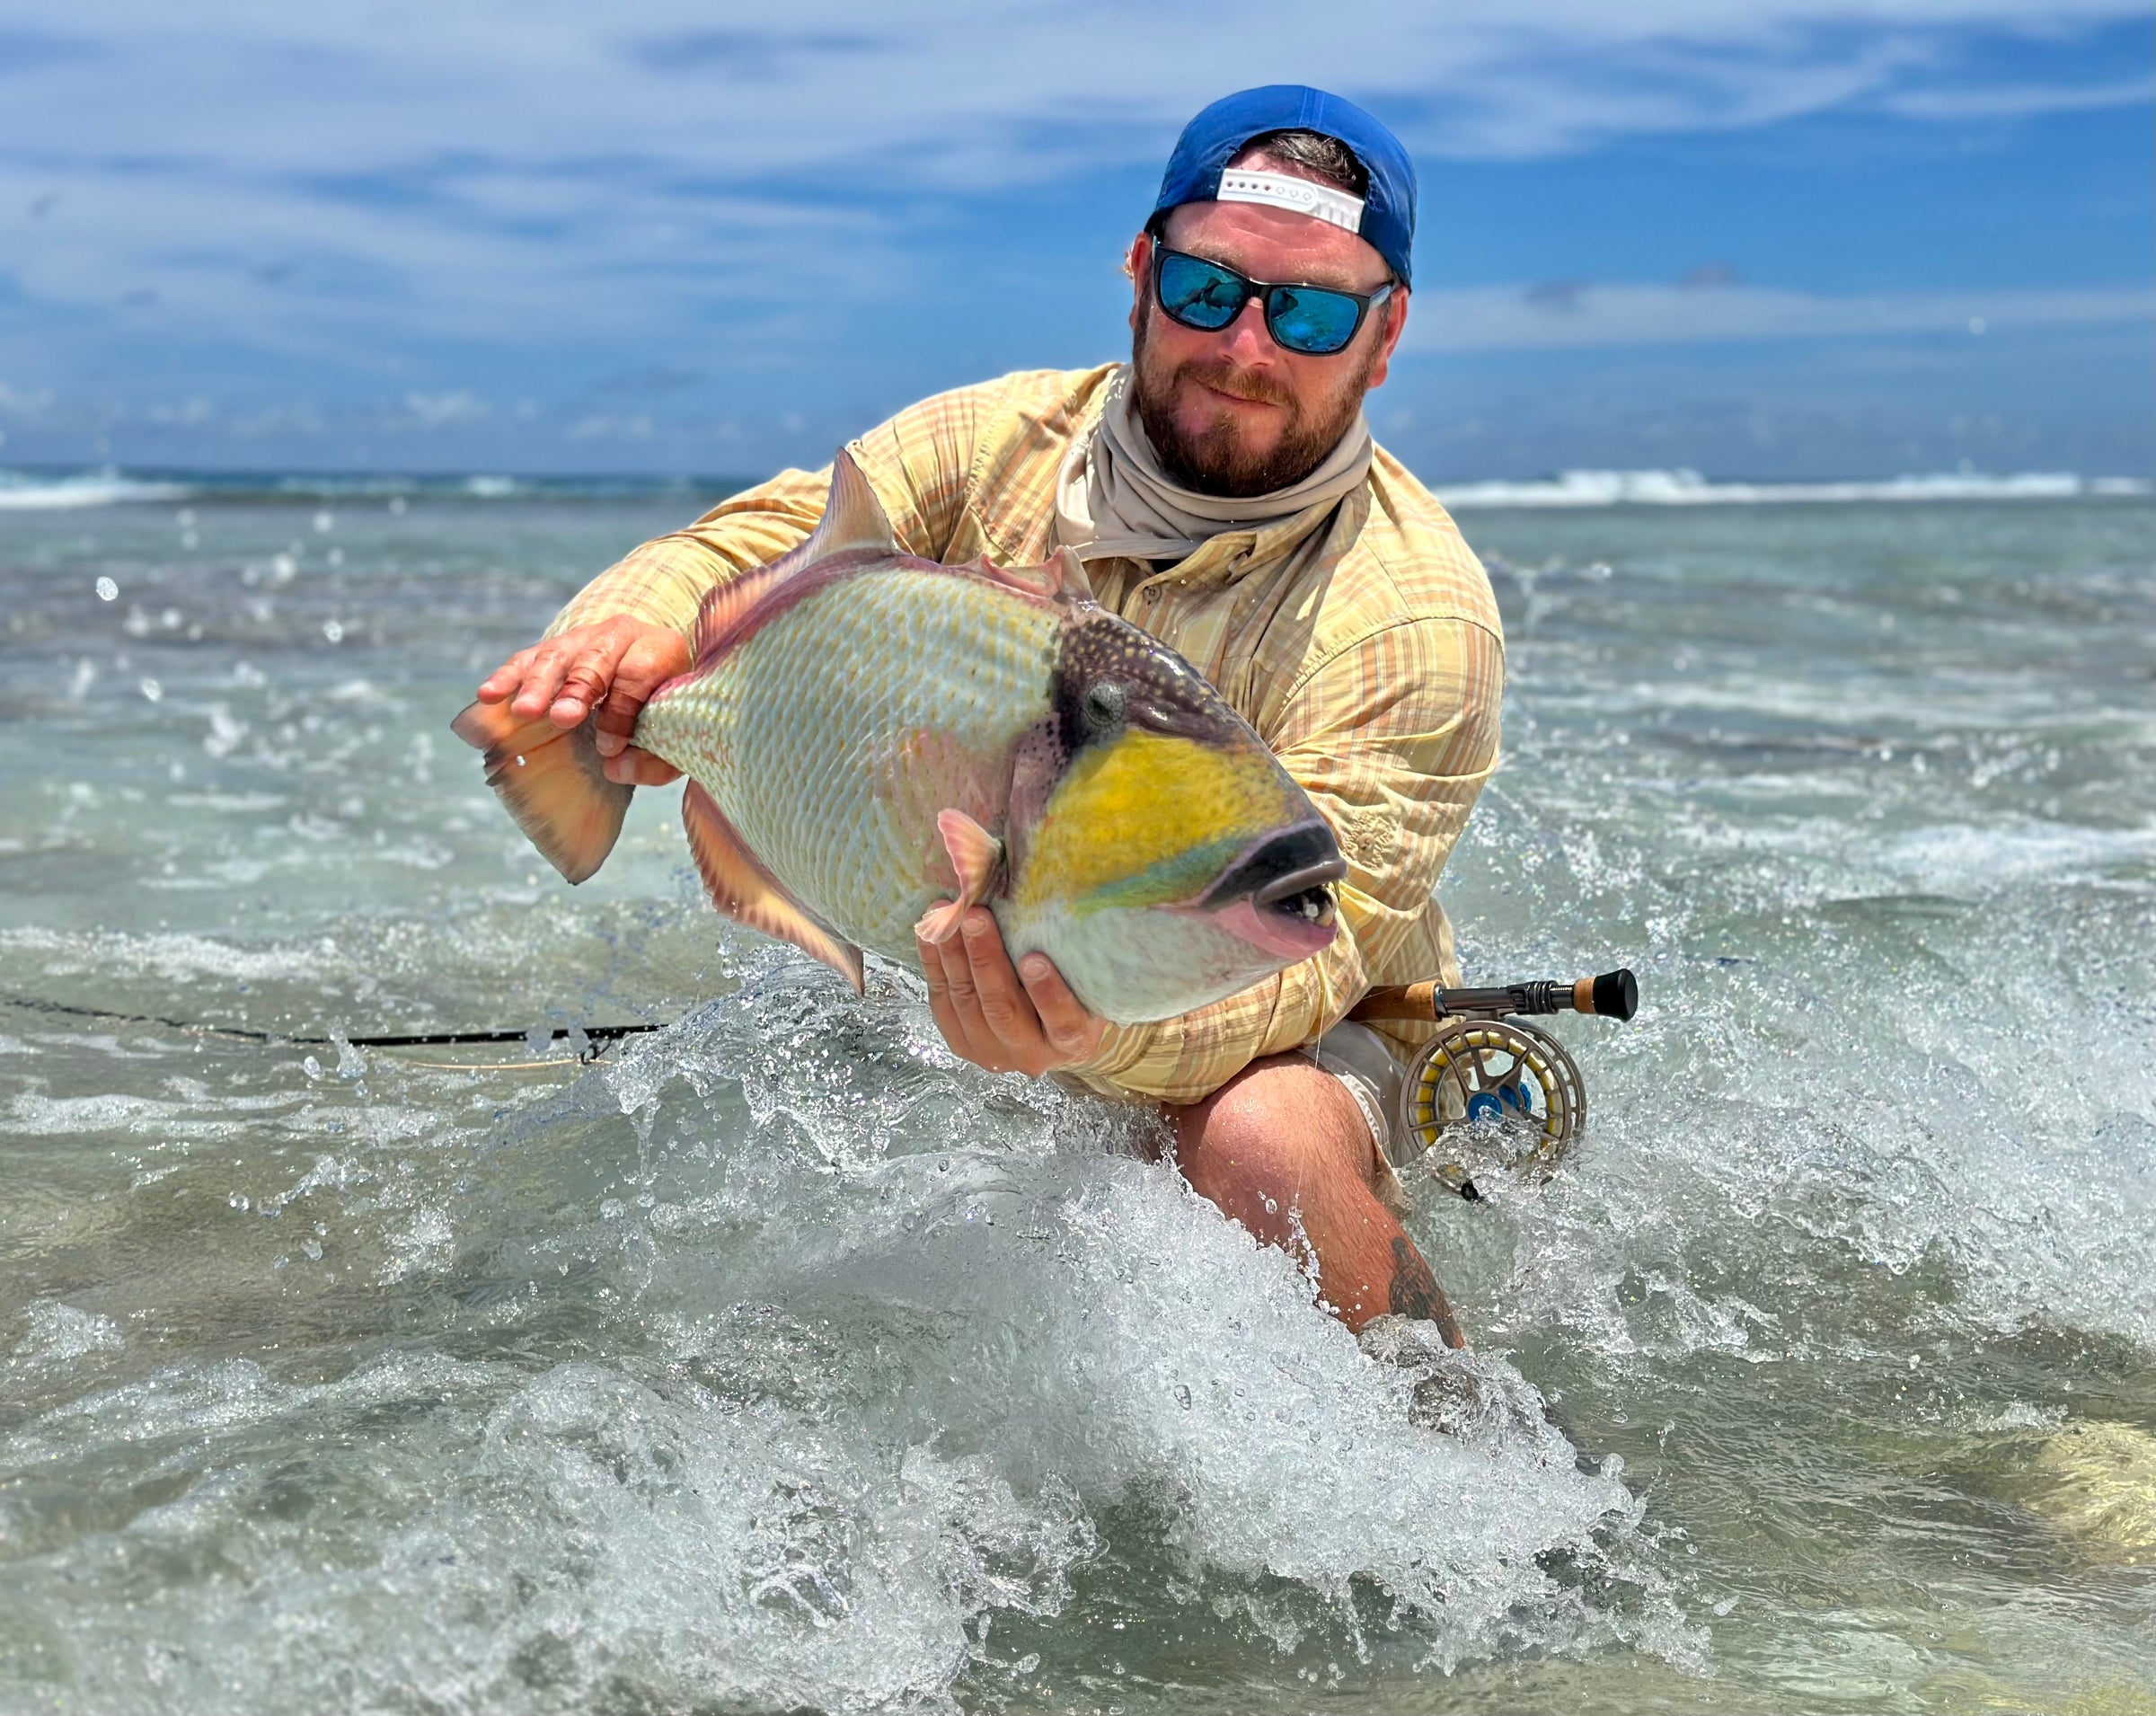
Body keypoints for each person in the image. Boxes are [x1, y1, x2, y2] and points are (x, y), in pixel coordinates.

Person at [471, 87, 1503, 1346]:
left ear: (1385, 336)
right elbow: (765, 537)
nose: (1246, 348)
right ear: (1139, 271)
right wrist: (624, 637)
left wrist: (1086, 1023)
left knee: (1258, 1140)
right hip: (996, 960)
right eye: (1206, 290)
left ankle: (1470, 1466)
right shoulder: (1000, 437)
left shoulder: (1415, 615)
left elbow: (1308, 970)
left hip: (1293, 1028)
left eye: (1310, 310)